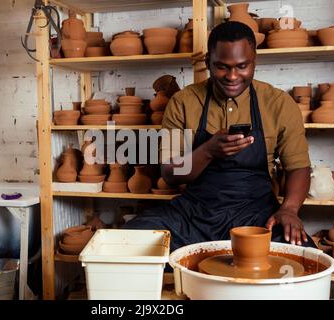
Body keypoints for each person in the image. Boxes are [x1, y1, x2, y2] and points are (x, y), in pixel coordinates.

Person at [123, 21, 315, 251]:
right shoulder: (183, 102)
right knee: (128, 242)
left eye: (242, 66)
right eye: (222, 67)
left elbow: (298, 167)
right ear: (208, 63)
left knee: (304, 254)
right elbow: (170, 172)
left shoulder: (278, 103)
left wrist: (289, 209)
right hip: (194, 216)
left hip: (256, 215)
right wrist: (208, 151)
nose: (232, 76)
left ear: (254, 61)